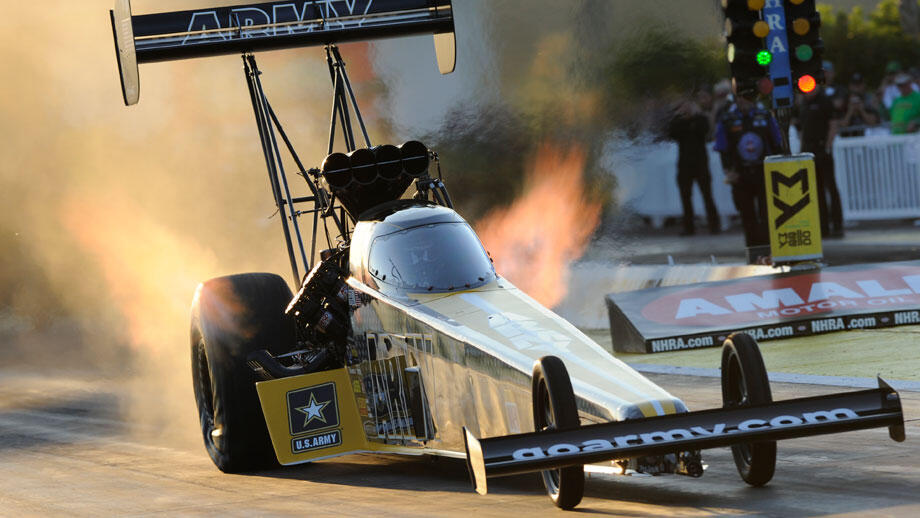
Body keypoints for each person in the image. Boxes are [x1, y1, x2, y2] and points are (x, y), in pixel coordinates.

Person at [714, 96, 783, 253]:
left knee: (766, 213)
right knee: (746, 214)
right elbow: (722, 148)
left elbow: (776, 143)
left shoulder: (764, 115)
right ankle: (753, 250)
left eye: (746, 98)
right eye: (740, 99)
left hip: (763, 171)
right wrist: (729, 171)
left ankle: (769, 248)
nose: (743, 102)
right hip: (740, 173)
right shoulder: (727, 119)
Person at [667, 95, 720, 235]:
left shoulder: (701, 119)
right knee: (685, 196)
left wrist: (691, 120)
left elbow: (704, 130)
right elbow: (672, 133)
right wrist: (683, 119)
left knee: (707, 195)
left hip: (700, 162)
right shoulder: (678, 122)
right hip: (684, 163)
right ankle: (688, 227)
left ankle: (714, 225)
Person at [796, 85, 844, 238]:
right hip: (809, 150)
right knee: (816, 191)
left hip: (823, 148)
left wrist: (828, 146)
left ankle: (837, 225)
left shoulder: (825, 101)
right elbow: (801, 129)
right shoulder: (803, 104)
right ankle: (823, 227)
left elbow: (833, 125)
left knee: (831, 187)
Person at [838, 73, 880, 137]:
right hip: (846, 141)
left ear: (863, 85)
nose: (856, 87)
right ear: (850, 86)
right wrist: (850, 111)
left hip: (865, 140)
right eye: (854, 84)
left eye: (859, 84)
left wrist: (862, 110)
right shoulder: (843, 102)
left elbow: (873, 123)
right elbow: (841, 125)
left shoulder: (868, 100)